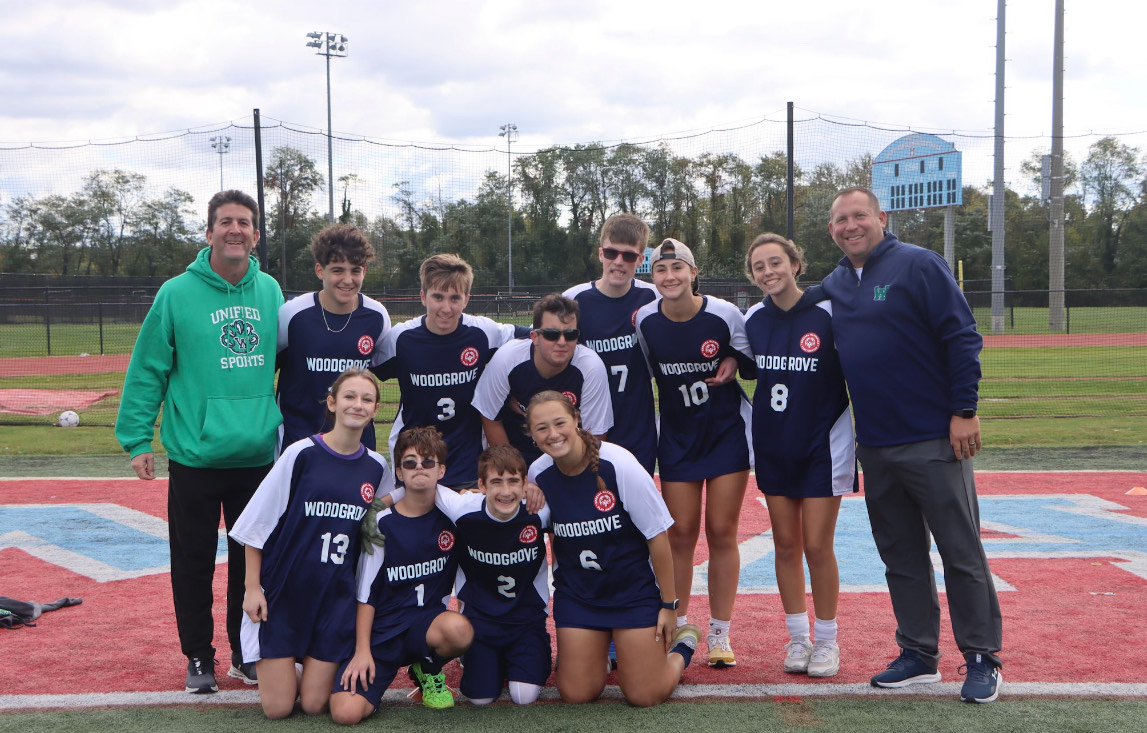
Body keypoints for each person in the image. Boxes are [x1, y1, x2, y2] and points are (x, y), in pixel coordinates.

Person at [823, 186, 1002, 704]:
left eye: (859, 216)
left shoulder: (919, 264)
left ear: (882, 217)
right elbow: (789, 317)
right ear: (831, 230)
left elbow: (962, 336)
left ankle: (981, 657)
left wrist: (964, 412)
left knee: (960, 550)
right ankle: (919, 654)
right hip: (875, 445)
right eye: (840, 220)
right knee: (900, 554)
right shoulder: (835, 282)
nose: (850, 226)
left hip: (933, 438)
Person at [115, 189, 283, 694]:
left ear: (255, 236)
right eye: (226, 222)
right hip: (194, 456)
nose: (236, 229)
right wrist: (137, 439)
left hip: (256, 455)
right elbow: (148, 369)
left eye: (245, 222)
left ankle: (244, 653)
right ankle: (197, 656)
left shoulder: (271, 291)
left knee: (249, 565)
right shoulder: (176, 294)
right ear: (209, 233)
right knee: (191, 563)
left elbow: (291, 365)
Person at [230, 369, 393, 718]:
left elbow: (380, 523)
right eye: (349, 396)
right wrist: (252, 588)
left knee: (316, 704)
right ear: (332, 402)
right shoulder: (300, 453)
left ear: (376, 409)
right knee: (278, 709)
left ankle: (300, 670)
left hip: (335, 596)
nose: (357, 405)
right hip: (286, 590)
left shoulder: (377, 468)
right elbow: (255, 527)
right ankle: (287, 667)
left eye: (367, 399)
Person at [525, 390, 701, 707]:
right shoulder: (537, 474)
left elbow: (658, 537)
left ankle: (682, 649)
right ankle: (597, 659)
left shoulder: (618, 464)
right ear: (532, 435)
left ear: (577, 420)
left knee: (644, 695)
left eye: (560, 423)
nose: (553, 434)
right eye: (541, 428)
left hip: (631, 593)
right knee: (577, 693)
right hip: (579, 594)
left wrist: (668, 605)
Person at [634, 238, 753, 669]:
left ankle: (720, 633)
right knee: (679, 535)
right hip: (679, 439)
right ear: (653, 276)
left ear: (693, 271)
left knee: (722, 531)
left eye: (677, 268)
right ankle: (680, 625)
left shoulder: (724, 314)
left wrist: (736, 362)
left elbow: (746, 356)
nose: (669, 277)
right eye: (661, 270)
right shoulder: (645, 320)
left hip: (724, 435)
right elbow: (648, 372)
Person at [742, 233, 857, 678]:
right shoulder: (752, 320)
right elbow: (742, 363)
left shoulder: (829, 310)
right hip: (774, 444)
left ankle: (827, 641)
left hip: (824, 444)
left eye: (776, 262)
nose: (768, 272)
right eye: (759, 267)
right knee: (786, 544)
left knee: (816, 544)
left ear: (795, 264)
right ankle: (798, 638)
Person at [329, 427, 474, 723]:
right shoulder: (380, 523)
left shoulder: (455, 518)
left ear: (441, 469)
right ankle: (375, 681)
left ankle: (428, 667)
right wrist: (362, 651)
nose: (419, 468)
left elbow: (493, 505)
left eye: (428, 462)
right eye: (410, 463)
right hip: (382, 634)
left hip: (425, 626)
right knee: (345, 713)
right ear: (399, 471)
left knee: (459, 629)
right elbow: (365, 594)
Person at [374, 254, 528, 490]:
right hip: (415, 459)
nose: (446, 308)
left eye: (455, 298)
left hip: (468, 460)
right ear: (423, 296)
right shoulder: (400, 338)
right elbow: (365, 364)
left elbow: (537, 337)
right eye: (438, 297)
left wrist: (520, 394)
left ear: (467, 299)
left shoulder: (483, 332)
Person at [436, 445, 551, 705]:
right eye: (496, 482)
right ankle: (474, 656)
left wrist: (539, 487)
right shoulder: (464, 509)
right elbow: (424, 486)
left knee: (524, 696)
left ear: (524, 484)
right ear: (482, 484)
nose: (506, 491)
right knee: (481, 698)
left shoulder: (539, 510)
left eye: (513, 481)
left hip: (526, 620)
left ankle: (524, 655)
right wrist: (383, 503)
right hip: (481, 621)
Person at [276, 224, 391, 450]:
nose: (347, 280)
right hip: (299, 444)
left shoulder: (377, 315)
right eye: (338, 270)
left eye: (355, 270)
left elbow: (382, 367)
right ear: (320, 270)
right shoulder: (292, 313)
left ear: (364, 270)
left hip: (357, 446)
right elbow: (269, 367)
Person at [563, 213, 659, 474]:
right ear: (600, 253)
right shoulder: (574, 299)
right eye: (611, 252)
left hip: (638, 425)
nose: (618, 261)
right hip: (587, 424)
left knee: (635, 507)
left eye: (628, 256)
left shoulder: (653, 297)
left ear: (640, 260)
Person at [474, 294, 613, 466]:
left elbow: (595, 435)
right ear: (534, 337)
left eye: (570, 334)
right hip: (516, 452)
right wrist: (516, 473)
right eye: (552, 334)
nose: (562, 342)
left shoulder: (591, 367)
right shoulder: (507, 358)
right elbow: (490, 418)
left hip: (568, 455)